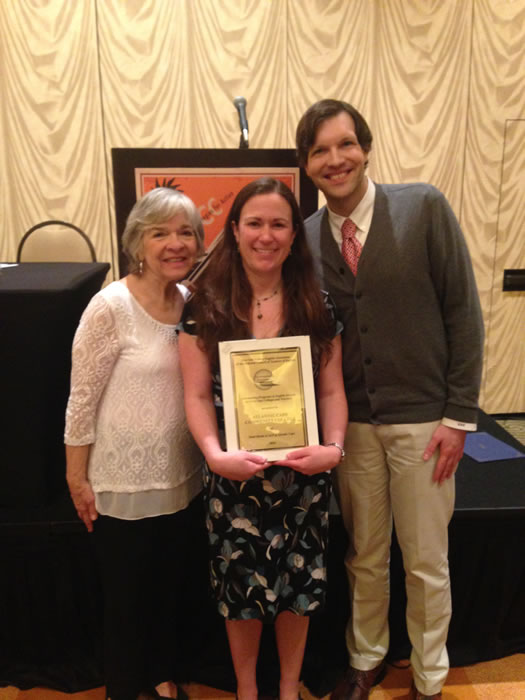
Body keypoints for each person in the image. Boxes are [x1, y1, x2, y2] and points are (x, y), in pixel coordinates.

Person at [295, 100, 484, 700]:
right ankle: (366, 658)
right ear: (307, 166)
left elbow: (464, 313)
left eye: (344, 144)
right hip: (352, 428)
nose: (335, 159)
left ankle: (429, 674)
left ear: (367, 148)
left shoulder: (423, 206)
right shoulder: (304, 238)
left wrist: (459, 418)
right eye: (320, 151)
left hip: (426, 423)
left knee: (426, 559)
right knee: (365, 554)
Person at [178, 177, 348, 700]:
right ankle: (249, 690)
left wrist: (334, 450)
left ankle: (289, 687)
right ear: (234, 231)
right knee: (240, 595)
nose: (266, 235)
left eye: (279, 224)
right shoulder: (202, 307)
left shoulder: (317, 306)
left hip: (304, 475)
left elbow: (332, 391)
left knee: (299, 591)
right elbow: (197, 397)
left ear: (295, 235)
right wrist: (214, 456)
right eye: (254, 223)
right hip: (233, 478)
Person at [64, 187, 206, 700]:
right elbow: (81, 401)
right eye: (160, 233)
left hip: (182, 480)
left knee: (168, 594)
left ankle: (163, 679)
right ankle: (125, 690)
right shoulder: (110, 306)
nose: (175, 243)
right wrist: (76, 478)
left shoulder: (191, 301)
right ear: (137, 244)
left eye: (186, 232)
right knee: (126, 605)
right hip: (121, 486)